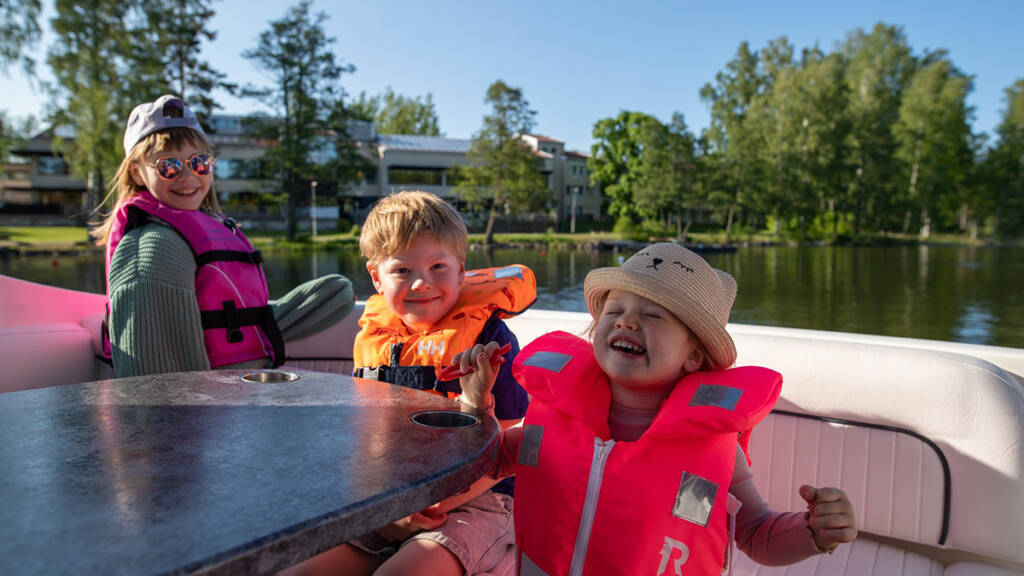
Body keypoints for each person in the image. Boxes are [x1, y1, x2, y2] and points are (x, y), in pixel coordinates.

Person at [454, 242, 858, 575]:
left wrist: (815, 533)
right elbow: (485, 464)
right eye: (614, 312)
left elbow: (756, 534)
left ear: (695, 356)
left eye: (652, 316)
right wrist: (476, 402)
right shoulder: (552, 422)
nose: (627, 323)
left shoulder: (711, 452)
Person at [285, 190, 533, 576]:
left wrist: (423, 508)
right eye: (402, 270)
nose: (422, 284)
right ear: (376, 277)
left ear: (461, 270)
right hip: (393, 498)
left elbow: (509, 451)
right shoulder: (375, 340)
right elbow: (369, 441)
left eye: (438, 267)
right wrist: (388, 512)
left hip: (480, 501)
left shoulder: (490, 340)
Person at [93, 95, 354, 377]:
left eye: (199, 162)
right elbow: (158, 390)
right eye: (168, 165)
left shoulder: (197, 230)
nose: (188, 177)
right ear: (137, 173)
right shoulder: (151, 250)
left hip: (245, 391)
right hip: (213, 409)